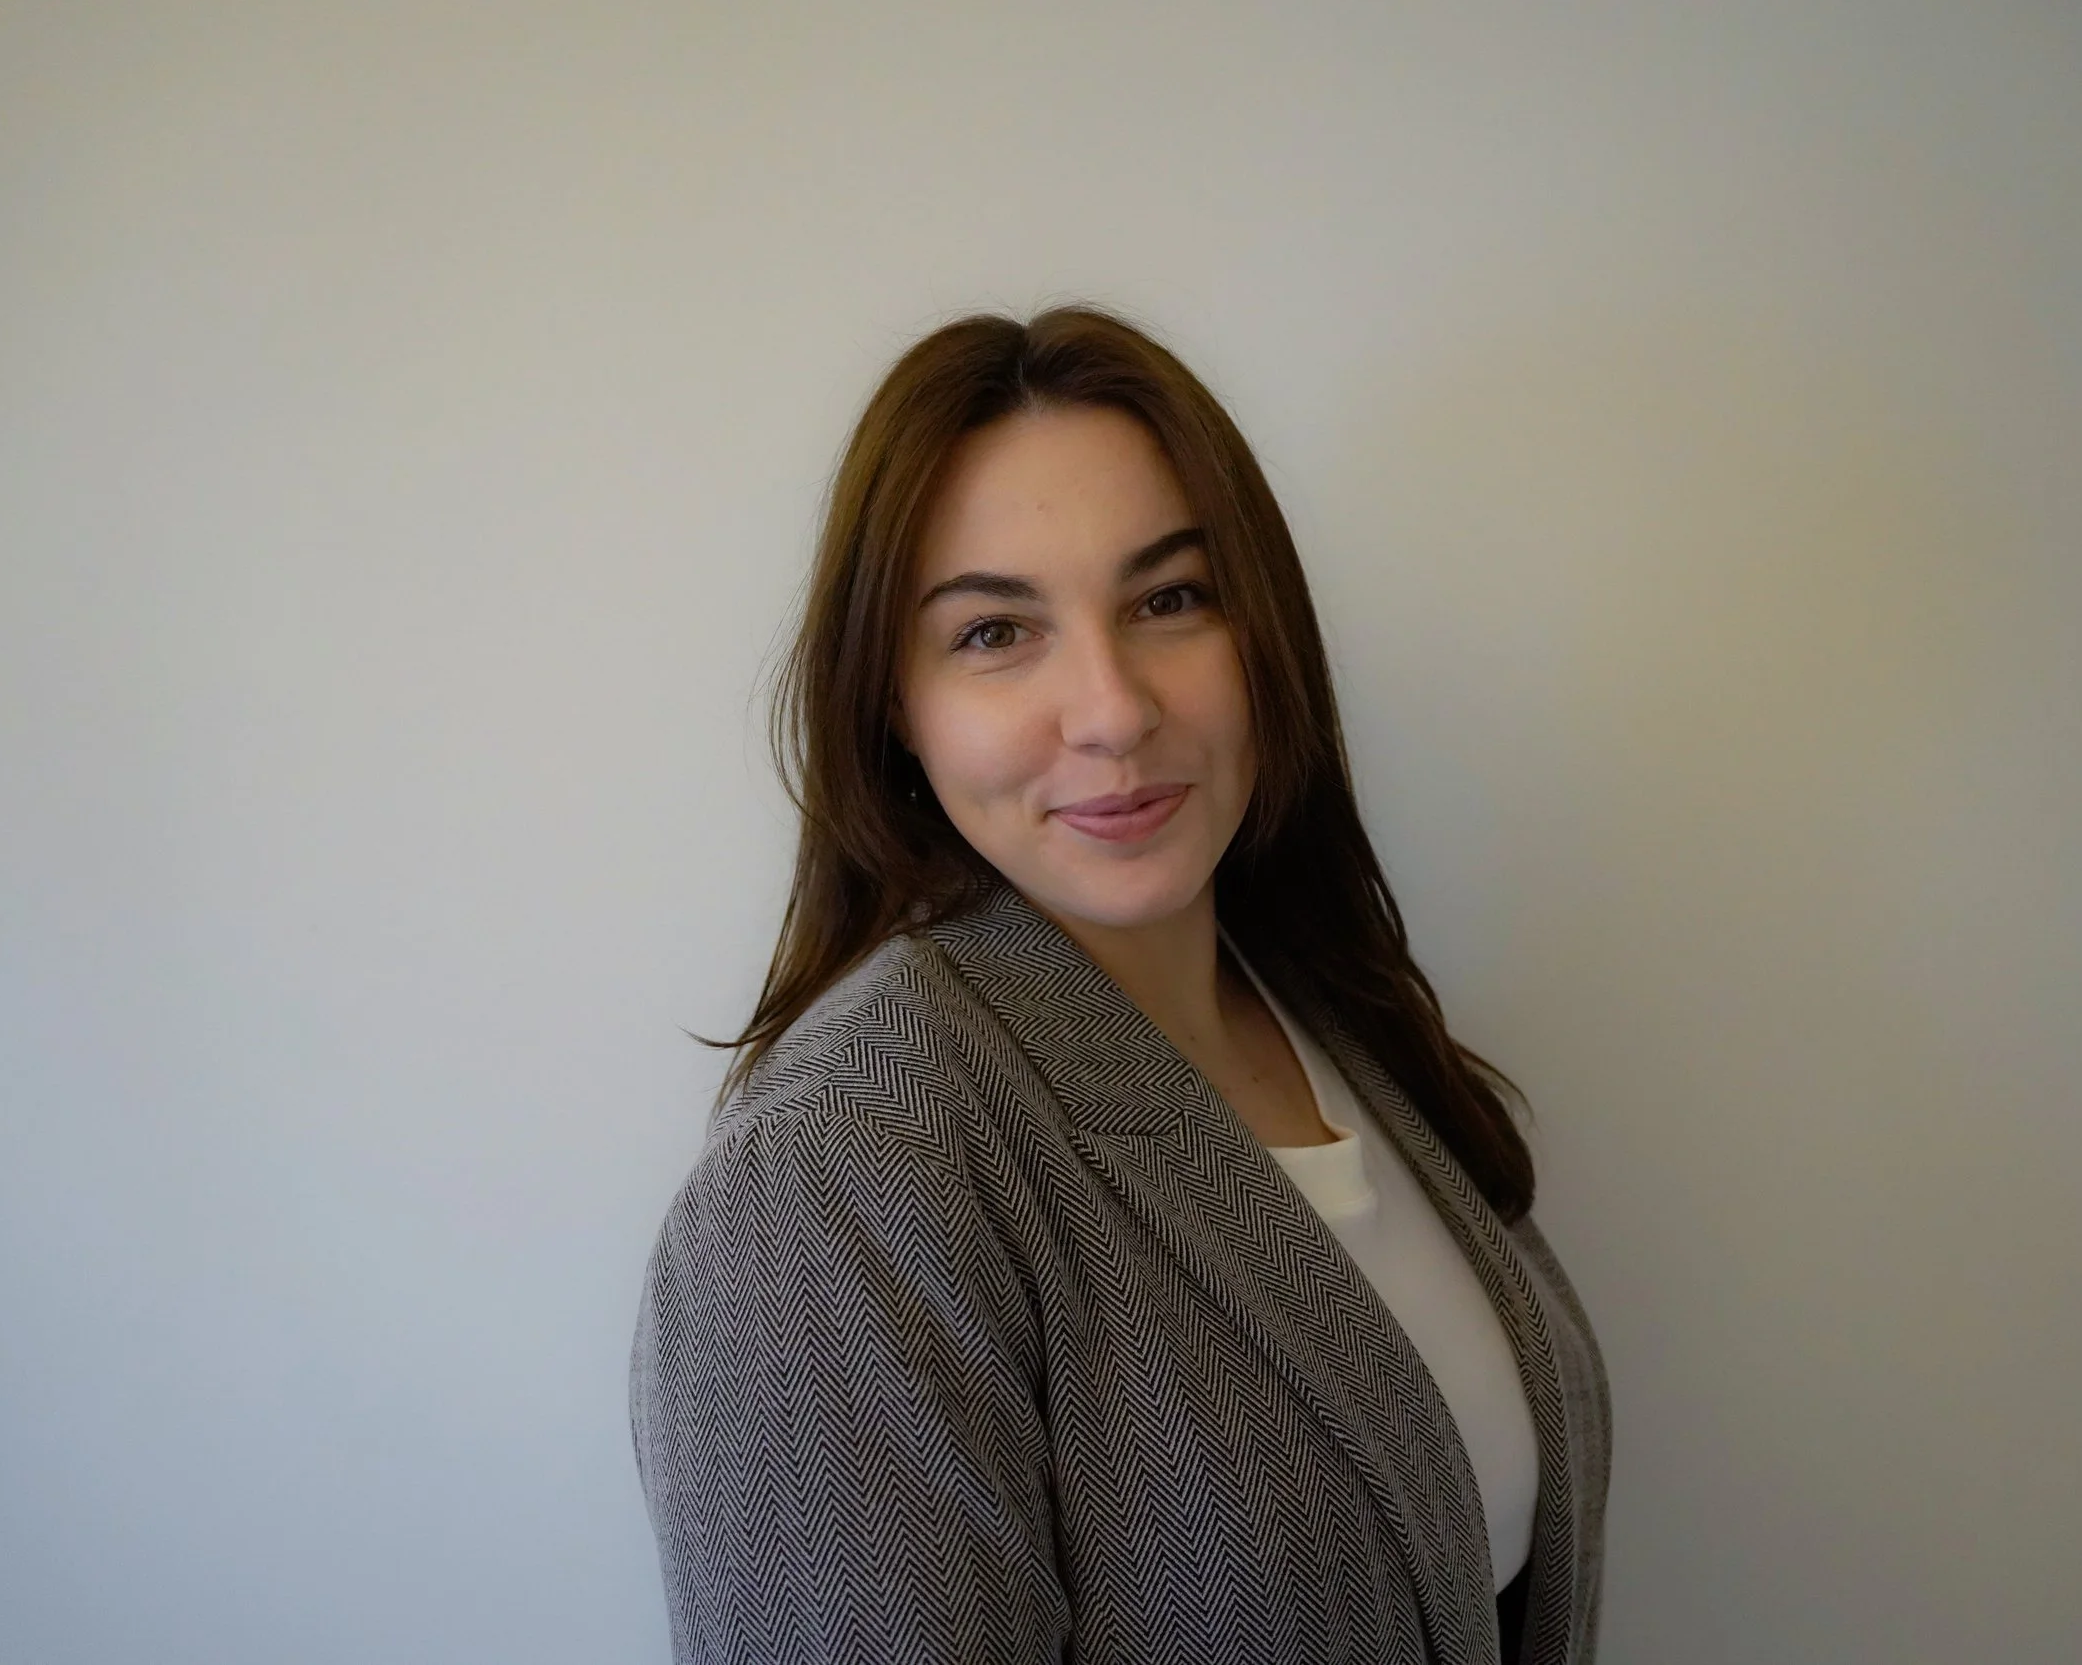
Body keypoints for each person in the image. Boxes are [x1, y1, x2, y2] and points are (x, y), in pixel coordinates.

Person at [630, 304, 1610, 1665]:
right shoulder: (842, 1172)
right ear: (891, 712)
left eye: (1169, 600)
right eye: (993, 633)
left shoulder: (1328, 1007)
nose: (1111, 707)